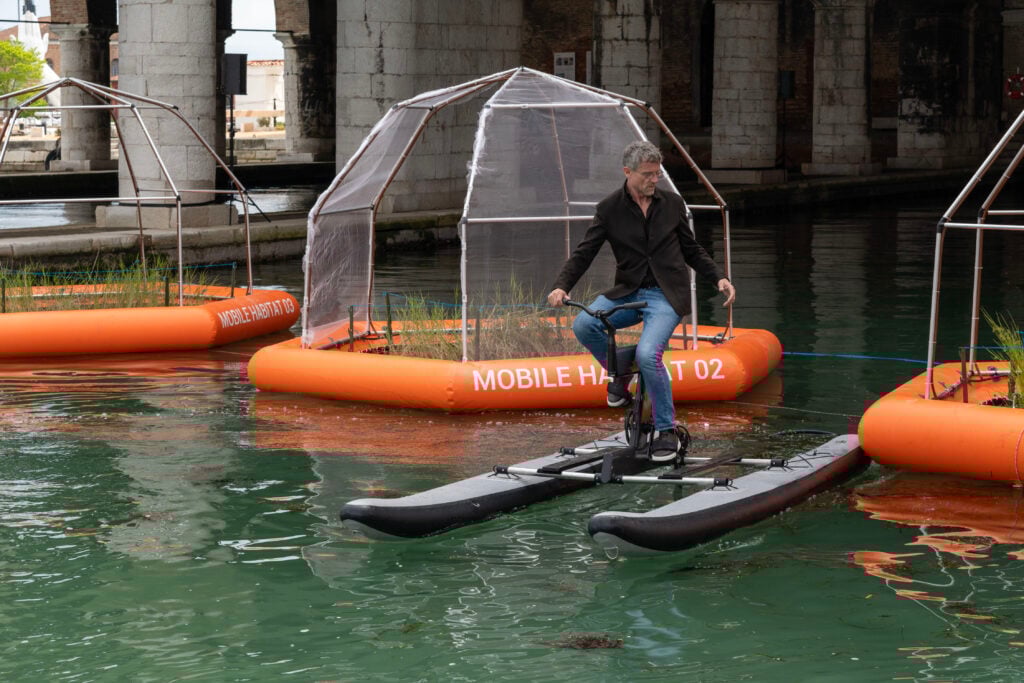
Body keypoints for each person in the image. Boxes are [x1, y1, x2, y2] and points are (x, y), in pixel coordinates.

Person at [547, 140, 736, 462]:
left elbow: (692, 249)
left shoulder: (673, 204)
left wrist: (718, 277)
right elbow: (585, 252)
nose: (654, 180)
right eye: (648, 174)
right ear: (628, 172)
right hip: (628, 291)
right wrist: (561, 286)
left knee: (649, 355)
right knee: (584, 324)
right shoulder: (609, 208)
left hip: (665, 294)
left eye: (657, 174)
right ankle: (620, 373)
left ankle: (666, 430)